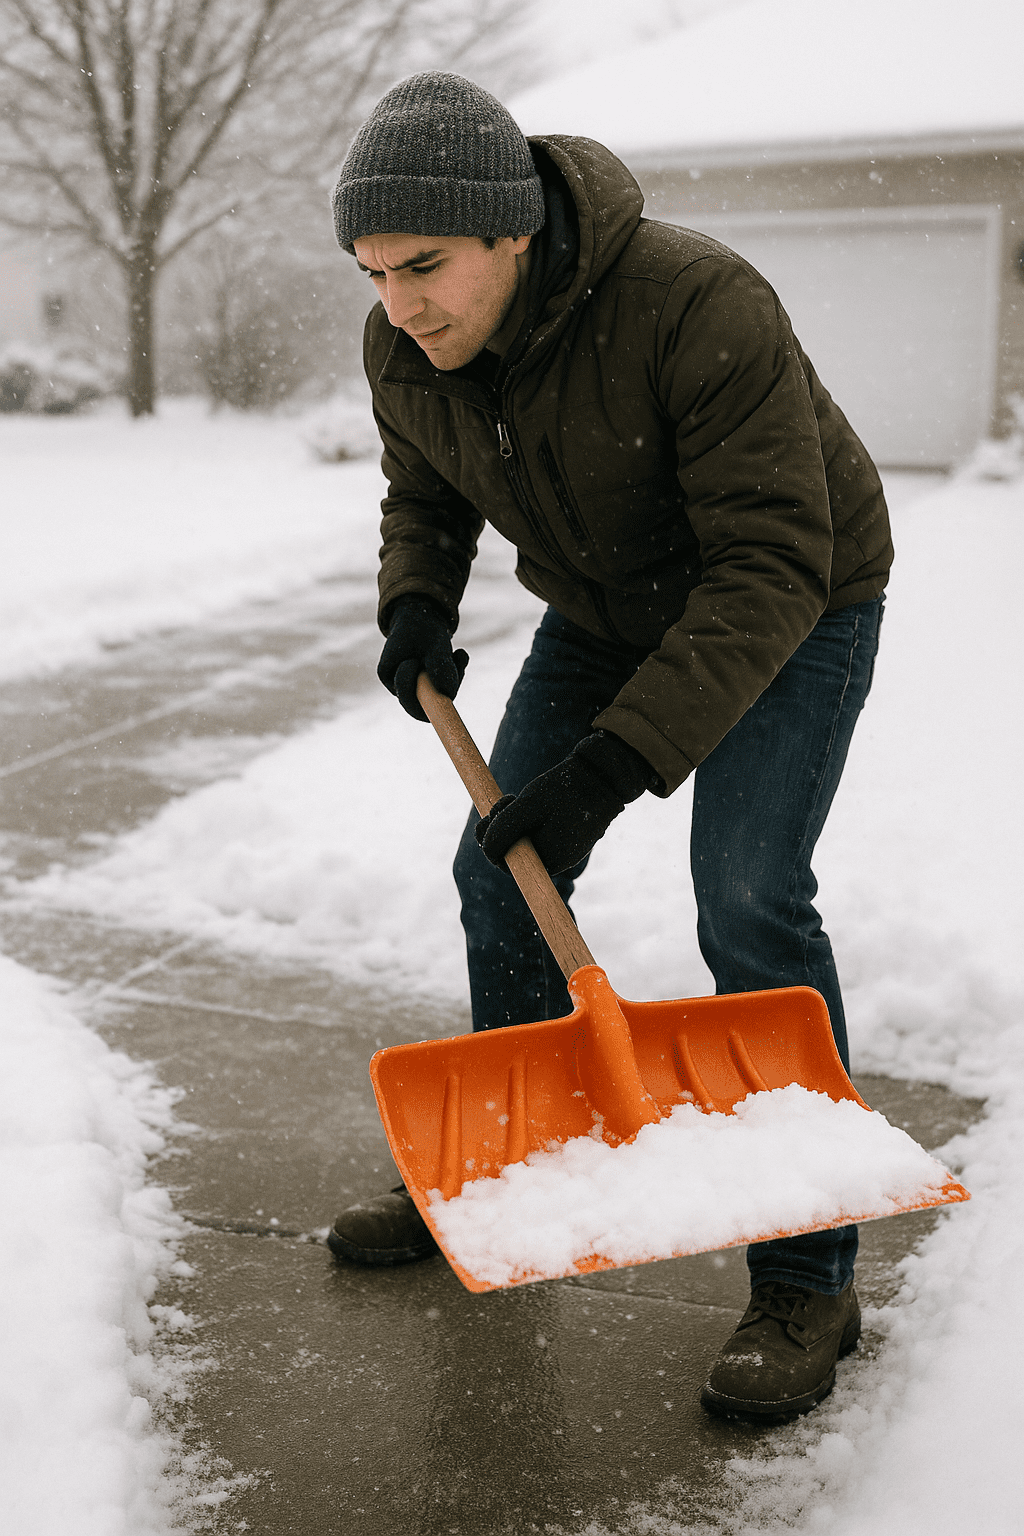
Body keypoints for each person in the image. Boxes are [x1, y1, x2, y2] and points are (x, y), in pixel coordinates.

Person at [326, 71, 891, 1426]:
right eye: (372, 271)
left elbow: (768, 563)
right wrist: (417, 600)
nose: (399, 304)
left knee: (750, 900)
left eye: (425, 266)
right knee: (500, 867)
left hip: (793, 598)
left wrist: (616, 761)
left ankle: (811, 1277)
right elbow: (425, 478)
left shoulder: (698, 302)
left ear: (512, 234)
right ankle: (509, 1162)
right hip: (602, 605)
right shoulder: (405, 341)